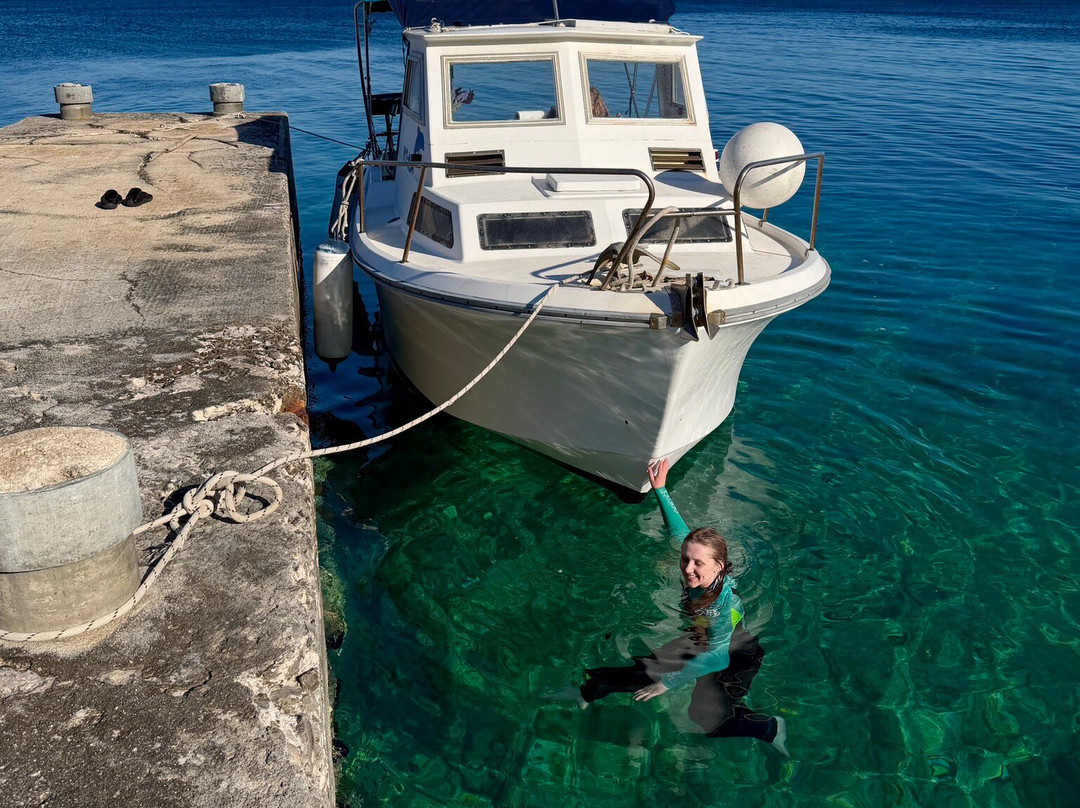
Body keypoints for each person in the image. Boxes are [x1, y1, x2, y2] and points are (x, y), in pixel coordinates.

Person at [577, 458, 788, 754]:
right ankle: (587, 690)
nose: (687, 569)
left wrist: (670, 682)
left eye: (697, 563)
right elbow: (679, 534)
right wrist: (661, 490)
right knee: (641, 672)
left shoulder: (723, 604)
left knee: (705, 719)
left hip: (734, 655)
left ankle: (770, 728)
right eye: (685, 559)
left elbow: (718, 658)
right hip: (700, 641)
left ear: (719, 567)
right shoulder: (695, 570)